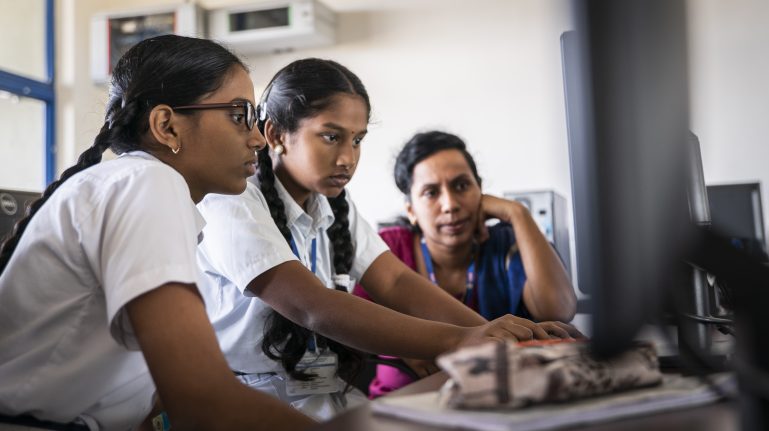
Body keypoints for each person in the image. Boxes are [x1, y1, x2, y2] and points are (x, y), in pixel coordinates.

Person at [195, 58, 582, 421]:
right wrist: (463, 340)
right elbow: (312, 307)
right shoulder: (232, 199)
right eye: (331, 137)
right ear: (277, 135)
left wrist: (505, 338)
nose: (347, 157)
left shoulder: (332, 208)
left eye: (358, 140)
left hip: (322, 391)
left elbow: (395, 280)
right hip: (250, 400)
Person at [0, 35, 313, 430]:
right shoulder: (146, 183)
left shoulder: (144, 187)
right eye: (239, 116)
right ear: (166, 126)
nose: (256, 139)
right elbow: (203, 400)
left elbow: (152, 391)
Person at [353, 130, 578, 397]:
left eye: (461, 186)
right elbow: (356, 330)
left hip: (502, 404)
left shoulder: (506, 244)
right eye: (431, 192)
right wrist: (406, 345)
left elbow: (560, 309)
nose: (450, 204)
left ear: (480, 191)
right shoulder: (388, 250)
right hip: (403, 408)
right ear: (411, 210)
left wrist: (518, 214)